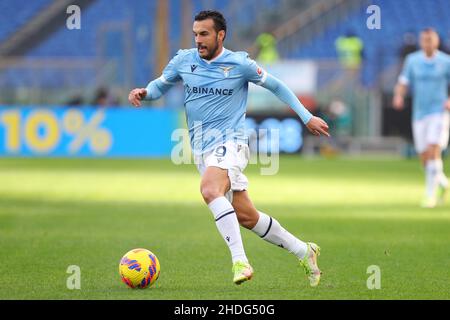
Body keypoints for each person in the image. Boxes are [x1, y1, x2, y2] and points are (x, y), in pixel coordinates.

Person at [128, 10, 329, 286]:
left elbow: (277, 86)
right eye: (196, 34)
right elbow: (160, 85)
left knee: (210, 190)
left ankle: (240, 261)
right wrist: (145, 92)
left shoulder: (239, 64)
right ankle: (304, 251)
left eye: (204, 34)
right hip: (201, 148)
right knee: (247, 217)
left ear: (220, 35)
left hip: (230, 142)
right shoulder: (184, 60)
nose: (198, 40)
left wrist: (307, 117)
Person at [393, 28, 450, 208]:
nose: (427, 43)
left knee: (434, 150)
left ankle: (429, 195)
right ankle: (443, 183)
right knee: (424, 156)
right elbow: (403, 81)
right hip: (419, 113)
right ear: (421, 42)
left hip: (439, 112)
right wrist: (399, 96)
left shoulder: (445, 61)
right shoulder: (413, 61)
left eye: (430, 40)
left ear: (437, 42)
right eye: (424, 40)